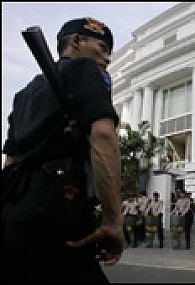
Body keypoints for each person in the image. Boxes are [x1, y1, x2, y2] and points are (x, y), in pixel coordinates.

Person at [1, 17, 124, 283]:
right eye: (102, 48)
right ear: (77, 42)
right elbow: (103, 135)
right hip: (59, 210)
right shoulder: (86, 70)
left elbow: (10, 162)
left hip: (16, 214)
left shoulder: (23, 94)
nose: (107, 58)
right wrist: (113, 222)